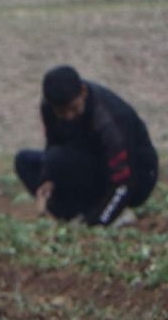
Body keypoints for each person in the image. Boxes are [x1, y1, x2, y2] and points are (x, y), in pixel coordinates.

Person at [14, 65, 158, 227]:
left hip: (135, 176)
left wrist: (95, 223)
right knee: (25, 162)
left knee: (57, 160)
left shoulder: (109, 119)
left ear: (83, 92)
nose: (68, 116)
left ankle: (109, 213)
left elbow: (124, 180)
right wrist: (48, 179)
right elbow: (54, 143)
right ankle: (75, 211)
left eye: (73, 109)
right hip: (90, 160)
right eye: (62, 112)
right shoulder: (49, 108)